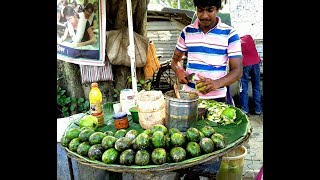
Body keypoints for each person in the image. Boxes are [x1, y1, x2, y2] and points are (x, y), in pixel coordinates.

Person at [170, 0, 242, 178]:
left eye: (210, 10)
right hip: (190, 100)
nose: (204, 16)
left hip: (217, 102)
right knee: (189, 147)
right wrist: (179, 70)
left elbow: (237, 70)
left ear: (218, 9)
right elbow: (175, 60)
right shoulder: (187, 32)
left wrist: (216, 83)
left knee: (213, 150)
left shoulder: (229, 33)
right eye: (200, 10)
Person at [239, 34, 262, 115]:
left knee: (244, 87)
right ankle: (258, 109)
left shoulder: (238, 41)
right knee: (256, 86)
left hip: (245, 64)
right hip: (256, 62)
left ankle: (245, 109)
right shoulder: (250, 37)